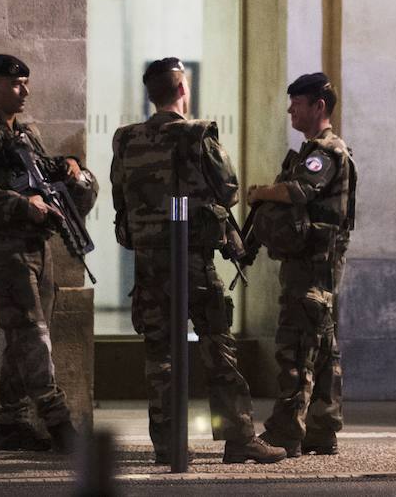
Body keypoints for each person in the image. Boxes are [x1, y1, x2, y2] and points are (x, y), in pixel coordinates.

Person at [110, 57, 286, 465]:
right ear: (182, 89)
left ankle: (168, 443)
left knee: (159, 353)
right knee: (217, 349)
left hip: (150, 262)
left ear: (151, 94)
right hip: (192, 260)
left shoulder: (125, 139)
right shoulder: (197, 135)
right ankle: (238, 437)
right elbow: (228, 191)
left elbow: (120, 197)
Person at [0, 54, 97, 453]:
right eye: (16, 85)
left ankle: (12, 424)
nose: (25, 91)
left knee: (25, 336)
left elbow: (42, 173)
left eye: (27, 83)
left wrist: (69, 167)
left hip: (37, 246)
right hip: (4, 248)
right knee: (33, 335)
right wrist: (20, 205)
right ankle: (59, 424)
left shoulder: (27, 134)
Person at [245, 72, 357, 458]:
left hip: (312, 266)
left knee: (295, 348)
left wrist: (260, 193)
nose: (291, 108)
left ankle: (285, 433)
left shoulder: (324, 151)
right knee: (322, 347)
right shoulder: (316, 149)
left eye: (298, 102)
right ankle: (321, 429)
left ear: (319, 106)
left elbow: (299, 191)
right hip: (314, 265)